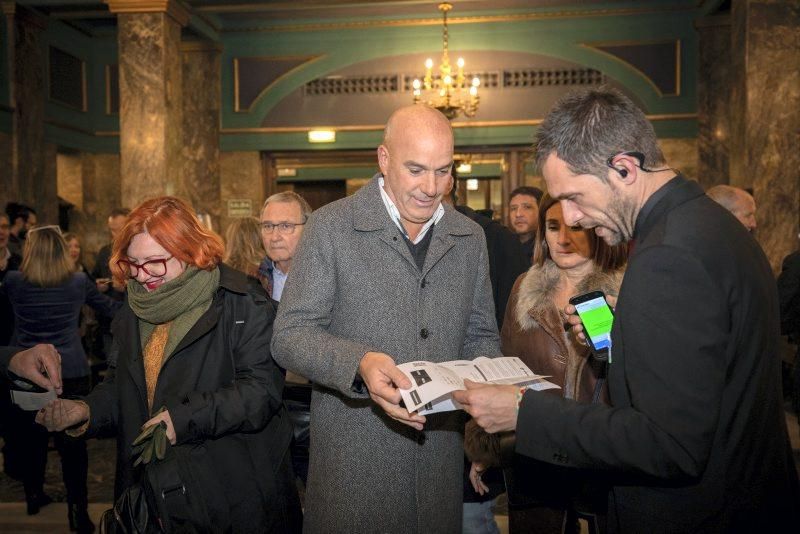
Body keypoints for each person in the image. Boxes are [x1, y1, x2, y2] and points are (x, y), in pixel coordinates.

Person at [454, 87, 799, 532]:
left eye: (575, 197)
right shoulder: (711, 226)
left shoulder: (667, 257)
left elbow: (668, 443)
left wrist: (524, 411)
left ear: (624, 168)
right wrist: (626, 337)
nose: (573, 219)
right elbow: (702, 373)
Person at [271, 104, 501, 533]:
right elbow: (289, 335)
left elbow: (480, 334)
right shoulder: (331, 227)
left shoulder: (470, 237)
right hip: (354, 470)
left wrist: (487, 383)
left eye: (443, 171)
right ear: (383, 159)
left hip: (437, 468)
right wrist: (358, 363)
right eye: (416, 170)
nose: (431, 187)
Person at [36, 196, 301, 532]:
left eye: (155, 262)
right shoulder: (133, 310)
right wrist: (86, 411)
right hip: (153, 491)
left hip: (229, 491)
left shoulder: (242, 303)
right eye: (133, 263)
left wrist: (183, 417)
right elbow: (121, 388)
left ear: (189, 250)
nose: (143, 276)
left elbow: (261, 392)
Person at [466, 193, 626, 533]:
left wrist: (619, 338)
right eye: (553, 226)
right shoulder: (524, 288)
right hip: (533, 467)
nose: (563, 238)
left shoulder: (625, 293)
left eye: (576, 227)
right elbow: (503, 370)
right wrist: (486, 446)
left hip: (600, 465)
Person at [3, 225, 120, 530]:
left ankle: (33, 494)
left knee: (33, 439)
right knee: (73, 446)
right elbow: (110, 309)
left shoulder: (13, 282)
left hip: (26, 370)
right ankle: (78, 514)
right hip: (70, 370)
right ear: (62, 250)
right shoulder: (78, 281)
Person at [90, 208, 129, 364]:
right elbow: (93, 279)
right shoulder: (104, 251)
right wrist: (98, 285)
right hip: (108, 320)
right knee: (112, 366)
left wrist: (126, 286)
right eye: (113, 231)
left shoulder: (139, 250)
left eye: (121, 230)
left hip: (132, 318)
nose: (117, 236)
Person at [258, 191, 312, 301]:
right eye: (268, 226)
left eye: (286, 226)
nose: (274, 237)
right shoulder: (253, 280)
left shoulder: (326, 278)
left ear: (308, 229)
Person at [508, 186, 544, 265]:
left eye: (527, 207)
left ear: (541, 211)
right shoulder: (505, 246)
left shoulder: (549, 249)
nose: (518, 214)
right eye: (513, 208)